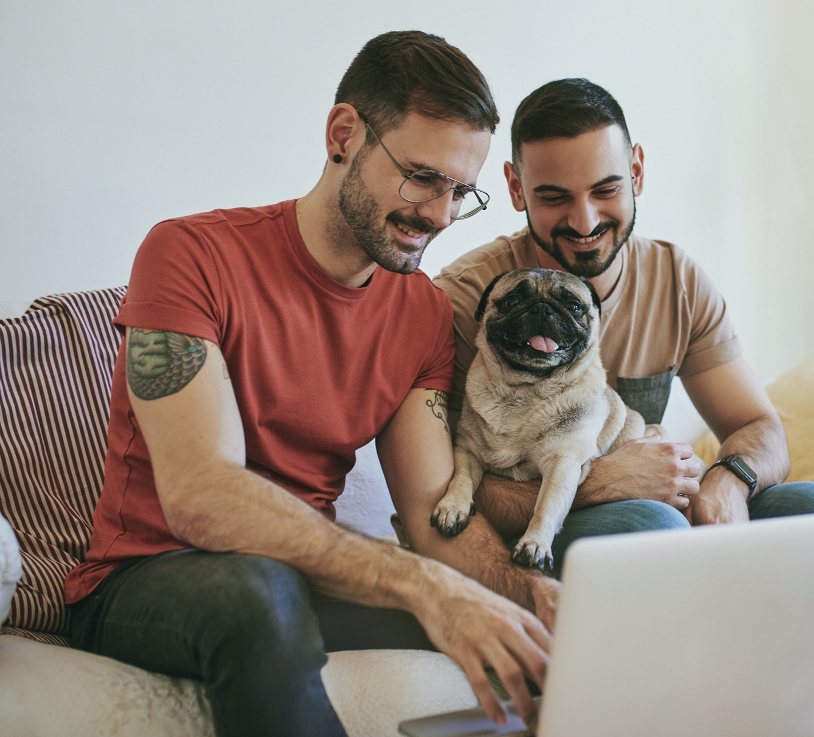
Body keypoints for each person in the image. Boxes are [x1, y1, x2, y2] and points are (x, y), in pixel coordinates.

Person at [62, 32, 552, 736]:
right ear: (344, 135)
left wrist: (527, 595)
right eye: (421, 176)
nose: (440, 216)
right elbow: (203, 497)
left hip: (301, 576)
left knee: (512, 637)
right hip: (147, 577)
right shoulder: (190, 254)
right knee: (259, 594)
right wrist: (421, 582)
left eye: (460, 192)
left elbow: (431, 515)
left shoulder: (420, 312)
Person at [434, 79, 814, 574]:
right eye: (554, 197)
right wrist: (604, 482)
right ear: (516, 188)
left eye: (606, 189)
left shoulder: (677, 279)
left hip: (660, 504)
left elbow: (757, 425)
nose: (584, 220)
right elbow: (434, 486)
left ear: (636, 171)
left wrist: (728, 482)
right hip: (556, 526)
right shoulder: (467, 299)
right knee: (651, 526)